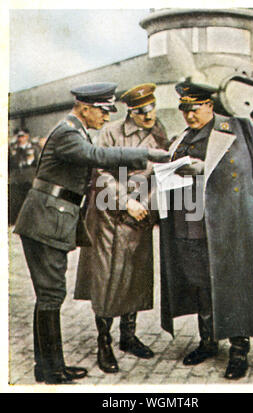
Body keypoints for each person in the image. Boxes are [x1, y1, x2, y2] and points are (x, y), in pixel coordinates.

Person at [13, 82, 170, 384]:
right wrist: (147, 153)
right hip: (46, 220)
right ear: (84, 107)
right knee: (51, 295)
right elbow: (97, 156)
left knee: (50, 295)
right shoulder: (69, 132)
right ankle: (50, 368)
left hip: (51, 218)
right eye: (102, 111)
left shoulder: (74, 129)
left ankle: (49, 366)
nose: (105, 118)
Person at [159, 81, 253, 380]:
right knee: (199, 281)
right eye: (184, 110)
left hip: (229, 222)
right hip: (190, 221)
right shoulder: (182, 138)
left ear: (209, 105)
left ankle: (239, 349)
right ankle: (208, 341)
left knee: (234, 281)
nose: (189, 116)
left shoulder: (235, 128)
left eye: (194, 109)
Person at [74, 83, 170, 374]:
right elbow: (99, 173)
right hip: (110, 218)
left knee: (136, 277)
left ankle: (128, 336)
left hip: (141, 216)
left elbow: (163, 172)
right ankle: (104, 341)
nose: (148, 116)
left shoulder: (158, 132)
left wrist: (149, 206)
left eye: (152, 110)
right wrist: (125, 202)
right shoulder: (111, 132)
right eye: (142, 112)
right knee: (107, 281)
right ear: (131, 111)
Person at [8, 129, 41, 224]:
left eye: (23, 136)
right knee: (16, 202)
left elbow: (39, 163)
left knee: (31, 202)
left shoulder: (34, 148)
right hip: (17, 180)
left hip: (30, 179)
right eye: (18, 136)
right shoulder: (12, 149)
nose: (21, 139)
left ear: (27, 136)